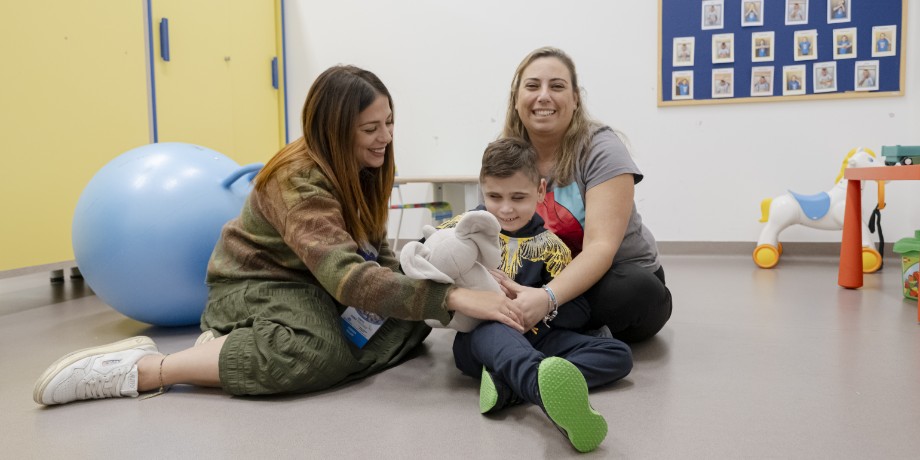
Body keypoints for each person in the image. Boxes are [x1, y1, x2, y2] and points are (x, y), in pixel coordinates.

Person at [32, 65, 527, 406]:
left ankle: (241, 351)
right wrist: (452, 296)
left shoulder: (363, 167)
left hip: (316, 283)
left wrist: (466, 281)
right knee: (319, 351)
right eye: (371, 128)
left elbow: (375, 256)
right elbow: (350, 278)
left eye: (389, 122)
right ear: (335, 130)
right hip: (259, 285)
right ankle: (147, 370)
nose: (386, 137)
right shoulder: (298, 180)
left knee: (410, 323)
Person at [445, 138, 633, 453]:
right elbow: (431, 268)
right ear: (482, 190)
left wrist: (538, 303)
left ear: (540, 191)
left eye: (518, 197)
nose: (505, 208)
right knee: (493, 332)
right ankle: (538, 386)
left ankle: (509, 388)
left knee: (619, 356)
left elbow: (579, 311)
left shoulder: (553, 247)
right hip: (483, 337)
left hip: (539, 336)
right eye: (494, 196)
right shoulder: (463, 234)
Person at [500, 47, 672, 343]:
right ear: (517, 99)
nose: (543, 96)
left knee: (636, 292)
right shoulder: (506, 155)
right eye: (532, 86)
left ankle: (535, 328)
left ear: (575, 99)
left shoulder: (601, 149)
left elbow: (601, 248)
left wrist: (546, 298)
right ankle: (558, 331)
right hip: (545, 277)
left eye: (557, 86)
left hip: (613, 276)